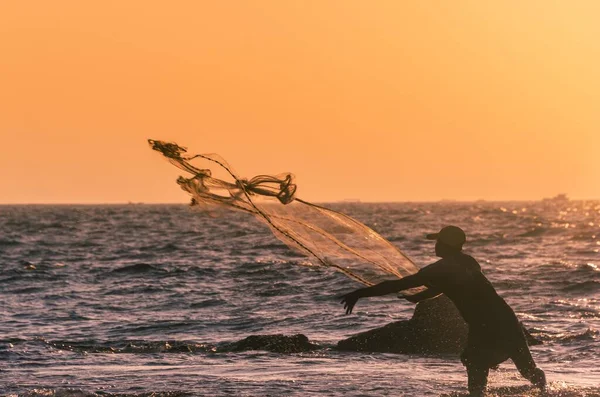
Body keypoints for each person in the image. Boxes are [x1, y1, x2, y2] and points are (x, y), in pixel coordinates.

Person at [340, 226, 546, 396]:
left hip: (484, 323)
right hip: (504, 317)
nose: (435, 245)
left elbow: (397, 285)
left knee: (475, 364)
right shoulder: (468, 261)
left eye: (438, 242)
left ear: (446, 245)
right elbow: (444, 287)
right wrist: (419, 297)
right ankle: (546, 391)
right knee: (527, 368)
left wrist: (359, 293)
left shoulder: (438, 269)